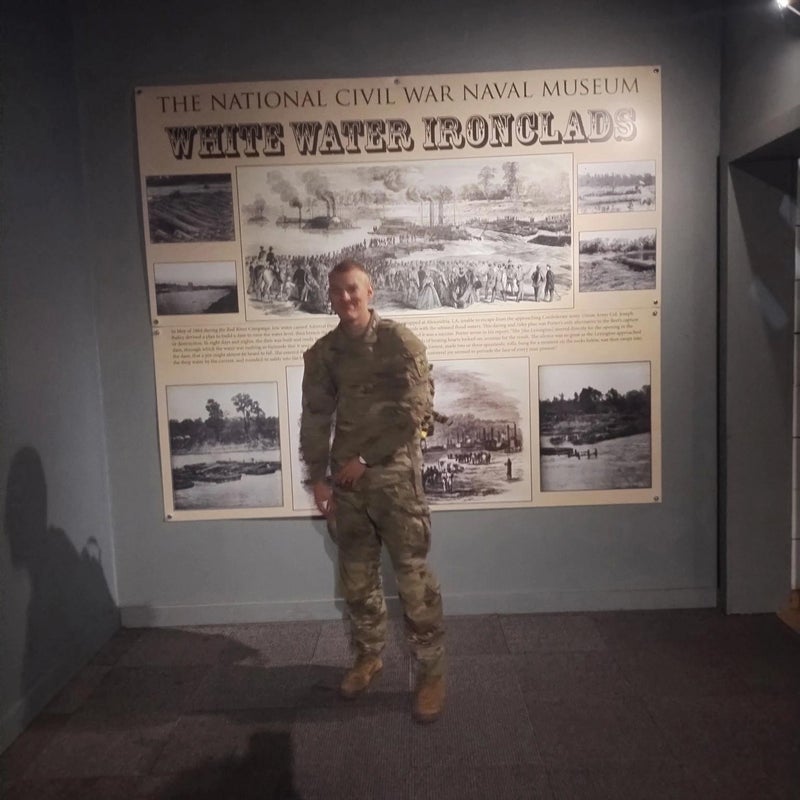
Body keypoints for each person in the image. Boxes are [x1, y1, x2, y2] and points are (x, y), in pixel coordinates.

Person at [300, 259, 446, 723]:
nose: (345, 298)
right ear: (330, 297)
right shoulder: (324, 353)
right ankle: (368, 657)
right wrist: (318, 479)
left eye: (353, 289)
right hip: (349, 488)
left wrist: (364, 460)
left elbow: (416, 411)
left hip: (395, 481)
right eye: (337, 291)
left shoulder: (400, 342)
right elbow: (316, 417)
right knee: (358, 579)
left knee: (414, 582)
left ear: (370, 291)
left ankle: (431, 673)